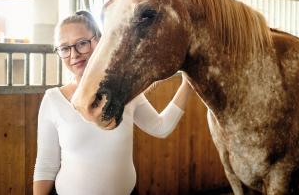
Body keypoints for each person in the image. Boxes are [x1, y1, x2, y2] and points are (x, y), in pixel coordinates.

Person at [33, 11, 193, 195]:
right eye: (64, 48)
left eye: (82, 43)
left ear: (100, 41)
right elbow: (45, 166)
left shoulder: (126, 92)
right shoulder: (53, 99)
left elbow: (160, 127)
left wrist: (187, 84)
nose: (74, 54)